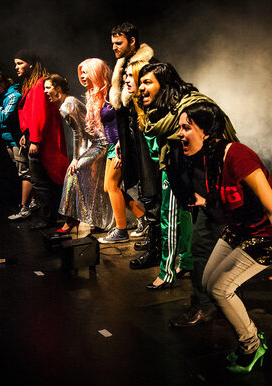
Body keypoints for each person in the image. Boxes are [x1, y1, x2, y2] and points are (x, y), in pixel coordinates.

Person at [177, 102, 272, 373]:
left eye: (186, 128)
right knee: (207, 282)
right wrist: (204, 200)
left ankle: (251, 343)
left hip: (268, 233)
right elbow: (227, 194)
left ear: (207, 131)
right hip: (242, 227)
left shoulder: (238, 155)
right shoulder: (208, 157)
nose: (180, 134)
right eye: (179, 128)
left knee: (220, 288)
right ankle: (250, 337)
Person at [137, 62, 239, 302]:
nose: (141, 88)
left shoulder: (191, 106)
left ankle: (167, 272)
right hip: (183, 169)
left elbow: (214, 136)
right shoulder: (165, 111)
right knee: (183, 218)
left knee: (170, 218)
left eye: (147, 82)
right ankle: (187, 264)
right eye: (140, 82)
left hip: (195, 171)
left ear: (166, 84)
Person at [109, 22, 161, 266]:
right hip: (133, 137)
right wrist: (121, 140)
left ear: (132, 40)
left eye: (118, 43)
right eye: (112, 44)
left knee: (152, 192)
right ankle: (153, 237)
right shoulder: (124, 66)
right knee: (143, 189)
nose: (114, 48)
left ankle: (157, 248)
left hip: (147, 136)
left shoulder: (147, 65)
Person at [76, 58, 144, 244]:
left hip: (120, 146)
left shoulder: (111, 93)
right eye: (81, 72)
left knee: (112, 186)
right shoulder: (97, 95)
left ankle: (121, 230)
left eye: (86, 72)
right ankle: (142, 218)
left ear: (96, 73)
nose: (82, 76)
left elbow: (125, 121)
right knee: (108, 187)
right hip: (112, 146)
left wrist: (122, 144)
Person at [43, 73, 115, 233]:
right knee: (93, 182)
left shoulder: (66, 107)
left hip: (102, 143)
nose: (45, 92)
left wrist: (76, 159)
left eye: (48, 88)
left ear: (58, 88)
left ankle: (73, 219)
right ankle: (90, 219)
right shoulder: (69, 103)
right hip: (97, 143)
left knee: (73, 173)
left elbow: (78, 134)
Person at [14, 49, 69, 230]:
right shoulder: (34, 83)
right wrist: (26, 134)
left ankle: (48, 218)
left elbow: (40, 114)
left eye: (20, 63)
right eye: (16, 63)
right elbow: (32, 114)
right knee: (43, 180)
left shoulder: (39, 83)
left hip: (43, 140)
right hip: (38, 137)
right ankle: (51, 216)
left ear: (30, 63)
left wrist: (35, 140)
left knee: (41, 181)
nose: (17, 67)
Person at [0, 70, 37, 221]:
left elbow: (3, 118)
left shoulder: (14, 96)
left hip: (17, 140)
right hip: (7, 139)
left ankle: (25, 207)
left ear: (3, 83)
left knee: (24, 172)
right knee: (22, 172)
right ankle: (32, 202)